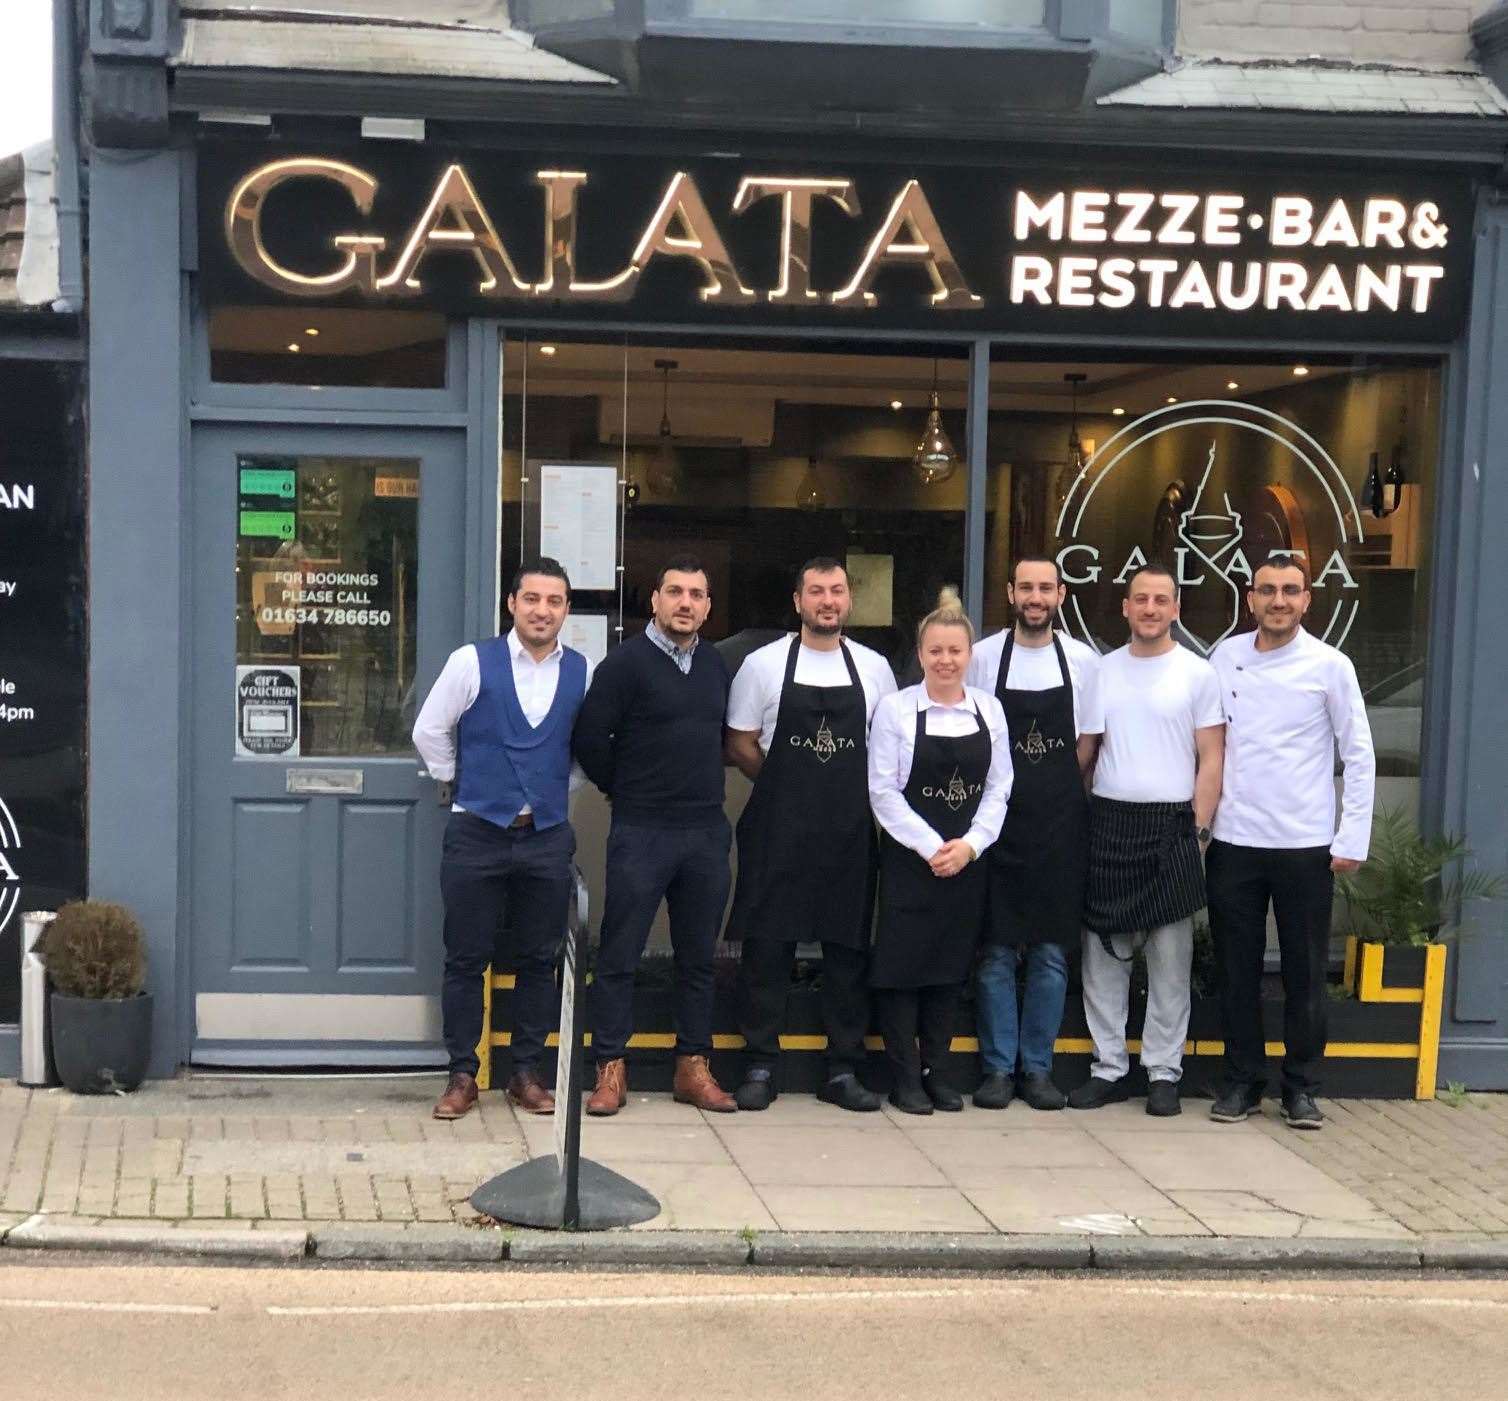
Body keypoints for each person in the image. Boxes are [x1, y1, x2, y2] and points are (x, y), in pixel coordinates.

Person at [412, 558, 591, 1121]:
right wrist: (458, 782)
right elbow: (429, 730)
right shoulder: (472, 661)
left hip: (545, 836)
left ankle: (525, 1074)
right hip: (476, 832)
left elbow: (583, 751)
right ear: (511, 603)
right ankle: (463, 1074)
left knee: (541, 958)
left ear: (566, 610)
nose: (543, 610)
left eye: (555, 601)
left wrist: (552, 795)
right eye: (532, 598)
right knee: (466, 957)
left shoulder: (583, 670)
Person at [1206, 555, 1375, 1131]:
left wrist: (1351, 835)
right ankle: (1242, 1082)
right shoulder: (1224, 657)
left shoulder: (1331, 665)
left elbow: (1358, 753)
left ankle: (1301, 1087)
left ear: (1307, 600)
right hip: (1233, 839)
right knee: (1235, 969)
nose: (1278, 600)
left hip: (1305, 844)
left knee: (1305, 971)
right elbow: (1209, 745)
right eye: (1268, 591)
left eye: (1290, 591)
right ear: (1249, 599)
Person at [724, 557, 897, 1112]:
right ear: (797, 601)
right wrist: (781, 785)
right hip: (778, 827)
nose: (828, 601)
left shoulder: (874, 669)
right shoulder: (762, 665)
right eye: (817, 591)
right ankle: (758, 1063)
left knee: (847, 952)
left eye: (837, 591)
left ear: (849, 602)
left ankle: (842, 1069)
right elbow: (741, 743)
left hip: (849, 829)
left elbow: (885, 749)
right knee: (766, 947)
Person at [573, 556, 737, 1115]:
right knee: (620, 953)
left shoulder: (716, 665)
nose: (685, 603)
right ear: (655, 600)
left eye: (696, 594)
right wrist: (626, 789)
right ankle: (610, 1071)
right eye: (675, 592)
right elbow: (592, 739)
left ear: (708, 606)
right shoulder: (624, 665)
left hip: (704, 831)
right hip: (642, 828)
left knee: (697, 958)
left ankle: (693, 1066)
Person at [1072, 563, 1224, 1118]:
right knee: (1103, 957)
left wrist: (1200, 833)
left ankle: (1163, 1072)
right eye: (1141, 599)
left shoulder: (1197, 674)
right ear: (1126, 608)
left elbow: (1211, 759)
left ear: (1176, 608)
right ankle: (1107, 1068)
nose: (1151, 609)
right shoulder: (1102, 672)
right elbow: (1086, 755)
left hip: (1173, 826)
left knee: (1169, 958)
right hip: (1110, 820)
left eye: (1161, 599)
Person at [966, 556, 1103, 1111]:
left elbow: (1088, 745)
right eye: (1026, 587)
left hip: (1058, 825)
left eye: (1046, 587)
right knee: (996, 952)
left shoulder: (1084, 662)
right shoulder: (981, 657)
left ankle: (1038, 1071)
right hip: (995, 825)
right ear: (1010, 592)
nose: (1036, 596)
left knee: (1049, 953)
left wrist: (1059, 794)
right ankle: (998, 1070)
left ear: (1061, 594)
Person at [867, 592, 1012, 1114]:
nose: (946, 660)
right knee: (903, 970)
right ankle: (905, 1078)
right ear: (921, 654)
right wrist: (934, 848)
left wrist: (970, 846)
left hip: (967, 861)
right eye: (936, 651)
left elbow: (1000, 788)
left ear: (969, 654)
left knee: (950, 971)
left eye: (955, 650)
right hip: (911, 859)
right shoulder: (896, 709)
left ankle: (938, 1074)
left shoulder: (989, 710)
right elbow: (882, 791)